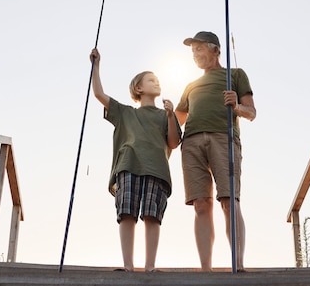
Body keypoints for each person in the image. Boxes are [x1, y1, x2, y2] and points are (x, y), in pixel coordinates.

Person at [90, 48, 181, 272]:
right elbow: (99, 95)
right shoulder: (125, 112)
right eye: (151, 80)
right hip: (128, 164)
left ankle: (150, 266)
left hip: (157, 168)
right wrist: (96, 66)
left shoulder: (164, 115)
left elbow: (173, 142)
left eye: (158, 80)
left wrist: (170, 115)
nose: (156, 82)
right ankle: (128, 266)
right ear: (139, 88)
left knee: (152, 215)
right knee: (127, 213)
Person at [174, 31, 256, 272]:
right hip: (191, 142)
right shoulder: (190, 86)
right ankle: (206, 270)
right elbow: (175, 120)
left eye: (199, 49)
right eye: (193, 51)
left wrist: (237, 105)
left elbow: (251, 112)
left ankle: (237, 264)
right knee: (200, 204)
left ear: (215, 50)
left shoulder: (236, 75)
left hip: (224, 138)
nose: (195, 55)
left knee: (229, 200)